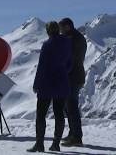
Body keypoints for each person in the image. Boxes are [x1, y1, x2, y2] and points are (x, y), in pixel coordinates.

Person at [27, 22, 72, 152]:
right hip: (62, 82)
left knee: (41, 115)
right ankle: (56, 143)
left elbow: (41, 67)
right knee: (59, 114)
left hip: (47, 84)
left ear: (48, 31)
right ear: (58, 30)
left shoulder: (47, 45)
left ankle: (39, 144)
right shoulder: (67, 43)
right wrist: (63, 72)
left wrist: (36, 84)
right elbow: (70, 63)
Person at [59, 18, 87, 147]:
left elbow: (71, 58)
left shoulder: (74, 39)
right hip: (74, 76)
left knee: (72, 106)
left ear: (68, 27)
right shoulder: (74, 37)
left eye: (62, 28)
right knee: (68, 106)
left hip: (73, 77)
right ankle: (72, 133)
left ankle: (77, 137)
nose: (60, 31)